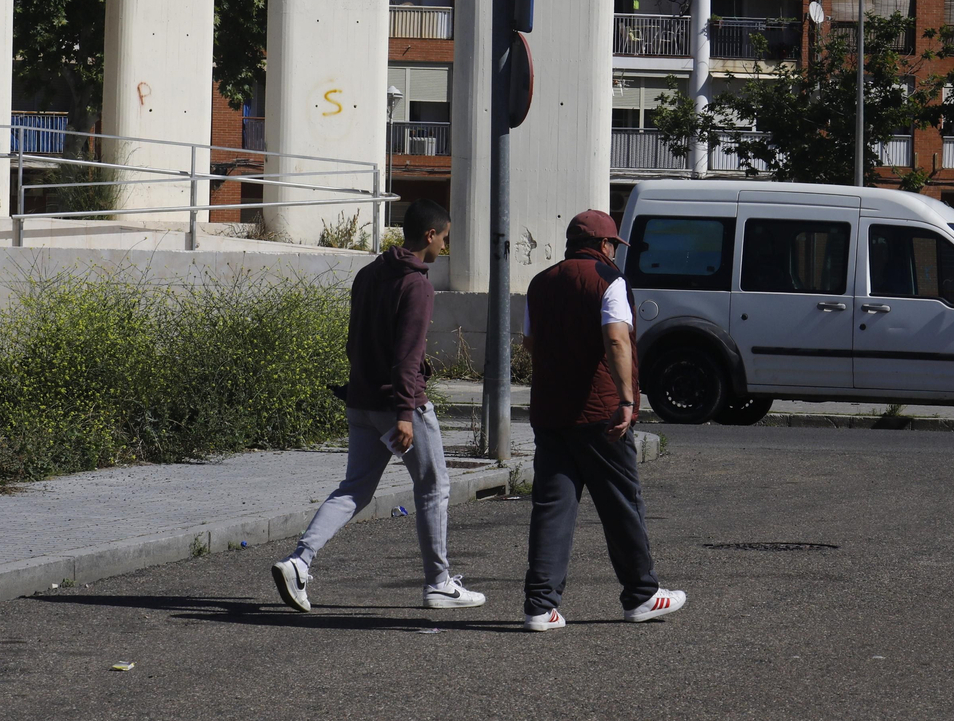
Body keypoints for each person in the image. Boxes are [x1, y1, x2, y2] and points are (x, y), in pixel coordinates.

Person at [272, 199, 486, 613]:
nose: (445, 245)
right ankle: (439, 583)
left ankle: (299, 561)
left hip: (362, 400)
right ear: (430, 235)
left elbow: (353, 342)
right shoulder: (418, 285)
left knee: (355, 489)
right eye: (445, 237)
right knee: (434, 488)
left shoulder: (368, 274)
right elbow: (408, 355)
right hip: (398, 405)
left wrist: (363, 391)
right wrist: (405, 413)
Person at [520, 209, 687, 631]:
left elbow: (529, 342)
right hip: (599, 413)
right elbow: (615, 339)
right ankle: (642, 594)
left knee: (552, 507)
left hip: (550, 411)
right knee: (620, 504)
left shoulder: (540, 283)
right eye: (614, 245)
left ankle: (540, 606)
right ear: (605, 245)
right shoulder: (610, 281)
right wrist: (628, 400)